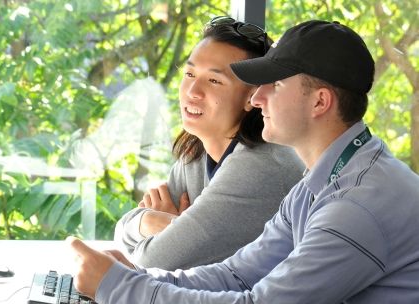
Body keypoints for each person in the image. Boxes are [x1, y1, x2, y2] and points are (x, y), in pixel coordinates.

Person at [69, 20, 419, 303]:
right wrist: (136, 277)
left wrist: (118, 286)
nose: (259, 96)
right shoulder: (322, 181)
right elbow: (236, 274)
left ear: (319, 102)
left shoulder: (356, 207)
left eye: (275, 85)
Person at [113, 16, 304, 270]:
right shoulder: (195, 152)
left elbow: (154, 263)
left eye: (214, 80)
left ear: (252, 97)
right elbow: (122, 235)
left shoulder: (260, 166)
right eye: (190, 73)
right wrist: (151, 222)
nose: (193, 91)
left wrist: (166, 233)